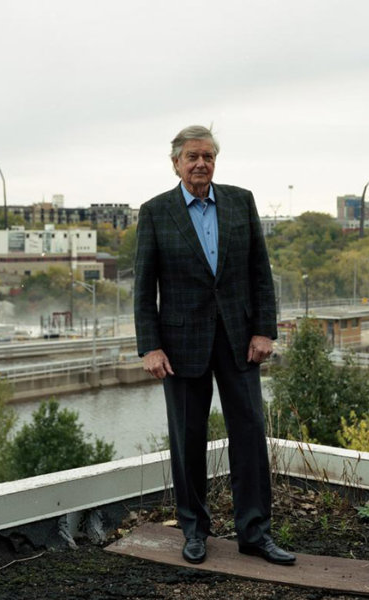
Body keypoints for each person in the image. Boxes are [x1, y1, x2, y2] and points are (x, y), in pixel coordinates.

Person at [133, 125, 295, 566]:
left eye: (207, 156)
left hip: (240, 341)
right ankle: (194, 531)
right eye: (192, 157)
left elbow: (261, 273)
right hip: (181, 345)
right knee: (188, 440)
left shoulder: (241, 202)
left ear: (214, 161)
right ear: (176, 163)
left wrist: (265, 331)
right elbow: (143, 289)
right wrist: (150, 347)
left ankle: (255, 534)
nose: (200, 163)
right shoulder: (154, 212)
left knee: (249, 434)